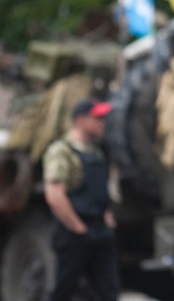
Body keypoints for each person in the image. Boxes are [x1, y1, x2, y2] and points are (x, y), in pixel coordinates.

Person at [43, 98, 119, 301]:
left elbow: (101, 190)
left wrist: (107, 217)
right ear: (80, 120)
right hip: (75, 233)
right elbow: (54, 195)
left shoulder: (95, 152)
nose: (102, 123)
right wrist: (78, 228)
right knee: (64, 290)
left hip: (99, 231)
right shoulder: (62, 151)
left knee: (108, 292)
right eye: (97, 118)